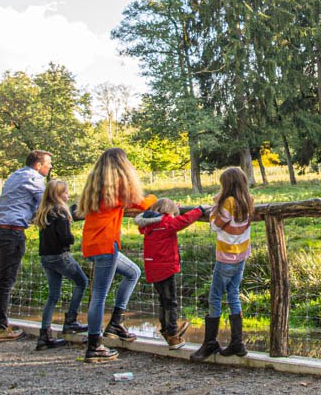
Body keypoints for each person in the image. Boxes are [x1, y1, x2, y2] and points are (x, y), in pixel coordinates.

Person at [79, 147, 156, 363]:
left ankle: (116, 323)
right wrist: (155, 199)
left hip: (92, 244)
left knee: (133, 272)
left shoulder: (96, 186)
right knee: (99, 295)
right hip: (106, 246)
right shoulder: (118, 186)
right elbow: (142, 202)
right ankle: (94, 346)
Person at [0, 150, 51, 342]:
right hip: (11, 231)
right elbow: (45, 204)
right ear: (38, 165)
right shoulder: (34, 179)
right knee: (6, 281)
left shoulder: (15, 175)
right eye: (48, 163)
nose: (50, 167)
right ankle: (1, 327)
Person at [191, 166, 253, 362]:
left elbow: (214, 225)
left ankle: (210, 342)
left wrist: (212, 210)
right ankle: (237, 342)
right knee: (233, 294)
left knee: (215, 297)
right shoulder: (248, 201)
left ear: (227, 185)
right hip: (241, 254)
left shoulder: (228, 203)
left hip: (226, 256)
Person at [134, 199, 207, 349]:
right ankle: (173, 335)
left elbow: (169, 219)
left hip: (152, 267)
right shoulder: (166, 223)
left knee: (163, 300)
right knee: (171, 302)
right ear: (168, 212)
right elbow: (184, 220)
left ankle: (166, 330)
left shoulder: (149, 224)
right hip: (166, 267)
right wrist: (199, 209)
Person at [31, 179, 89, 350]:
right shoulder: (60, 213)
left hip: (46, 257)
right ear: (58, 195)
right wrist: (72, 238)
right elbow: (65, 238)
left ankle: (45, 334)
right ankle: (71, 320)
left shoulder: (44, 212)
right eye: (65, 192)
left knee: (53, 295)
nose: (68, 195)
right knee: (82, 282)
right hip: (60, 255)